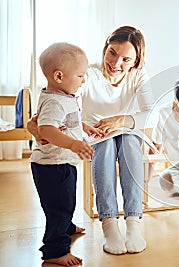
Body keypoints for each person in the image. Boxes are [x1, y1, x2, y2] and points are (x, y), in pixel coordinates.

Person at [28, 26, 153, 255]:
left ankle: (134, 222)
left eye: (126, 59)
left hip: (124, 131)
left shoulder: (139, 76)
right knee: (104, 148)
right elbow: (58, 98)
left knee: (129, 144)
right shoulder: (88, 74)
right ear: (106, 47)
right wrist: (34, 126)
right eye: (112, 52)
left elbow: (152, 113)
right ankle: (109, 223)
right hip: (94, 134)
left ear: (135, 62)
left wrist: (122, 120)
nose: (116, 63)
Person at [29, 42, 98, 266]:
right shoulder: (55, 102)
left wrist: (85, 127)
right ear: (59, 76)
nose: (83, 80)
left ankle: (66, 227)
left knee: (66, 200)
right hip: (53, 166)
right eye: (80, 75)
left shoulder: (61, 97)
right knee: (59, 206)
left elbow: (69, 121)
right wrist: (73, 144)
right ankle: (55, 251)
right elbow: (46, 129)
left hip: (60, 163)